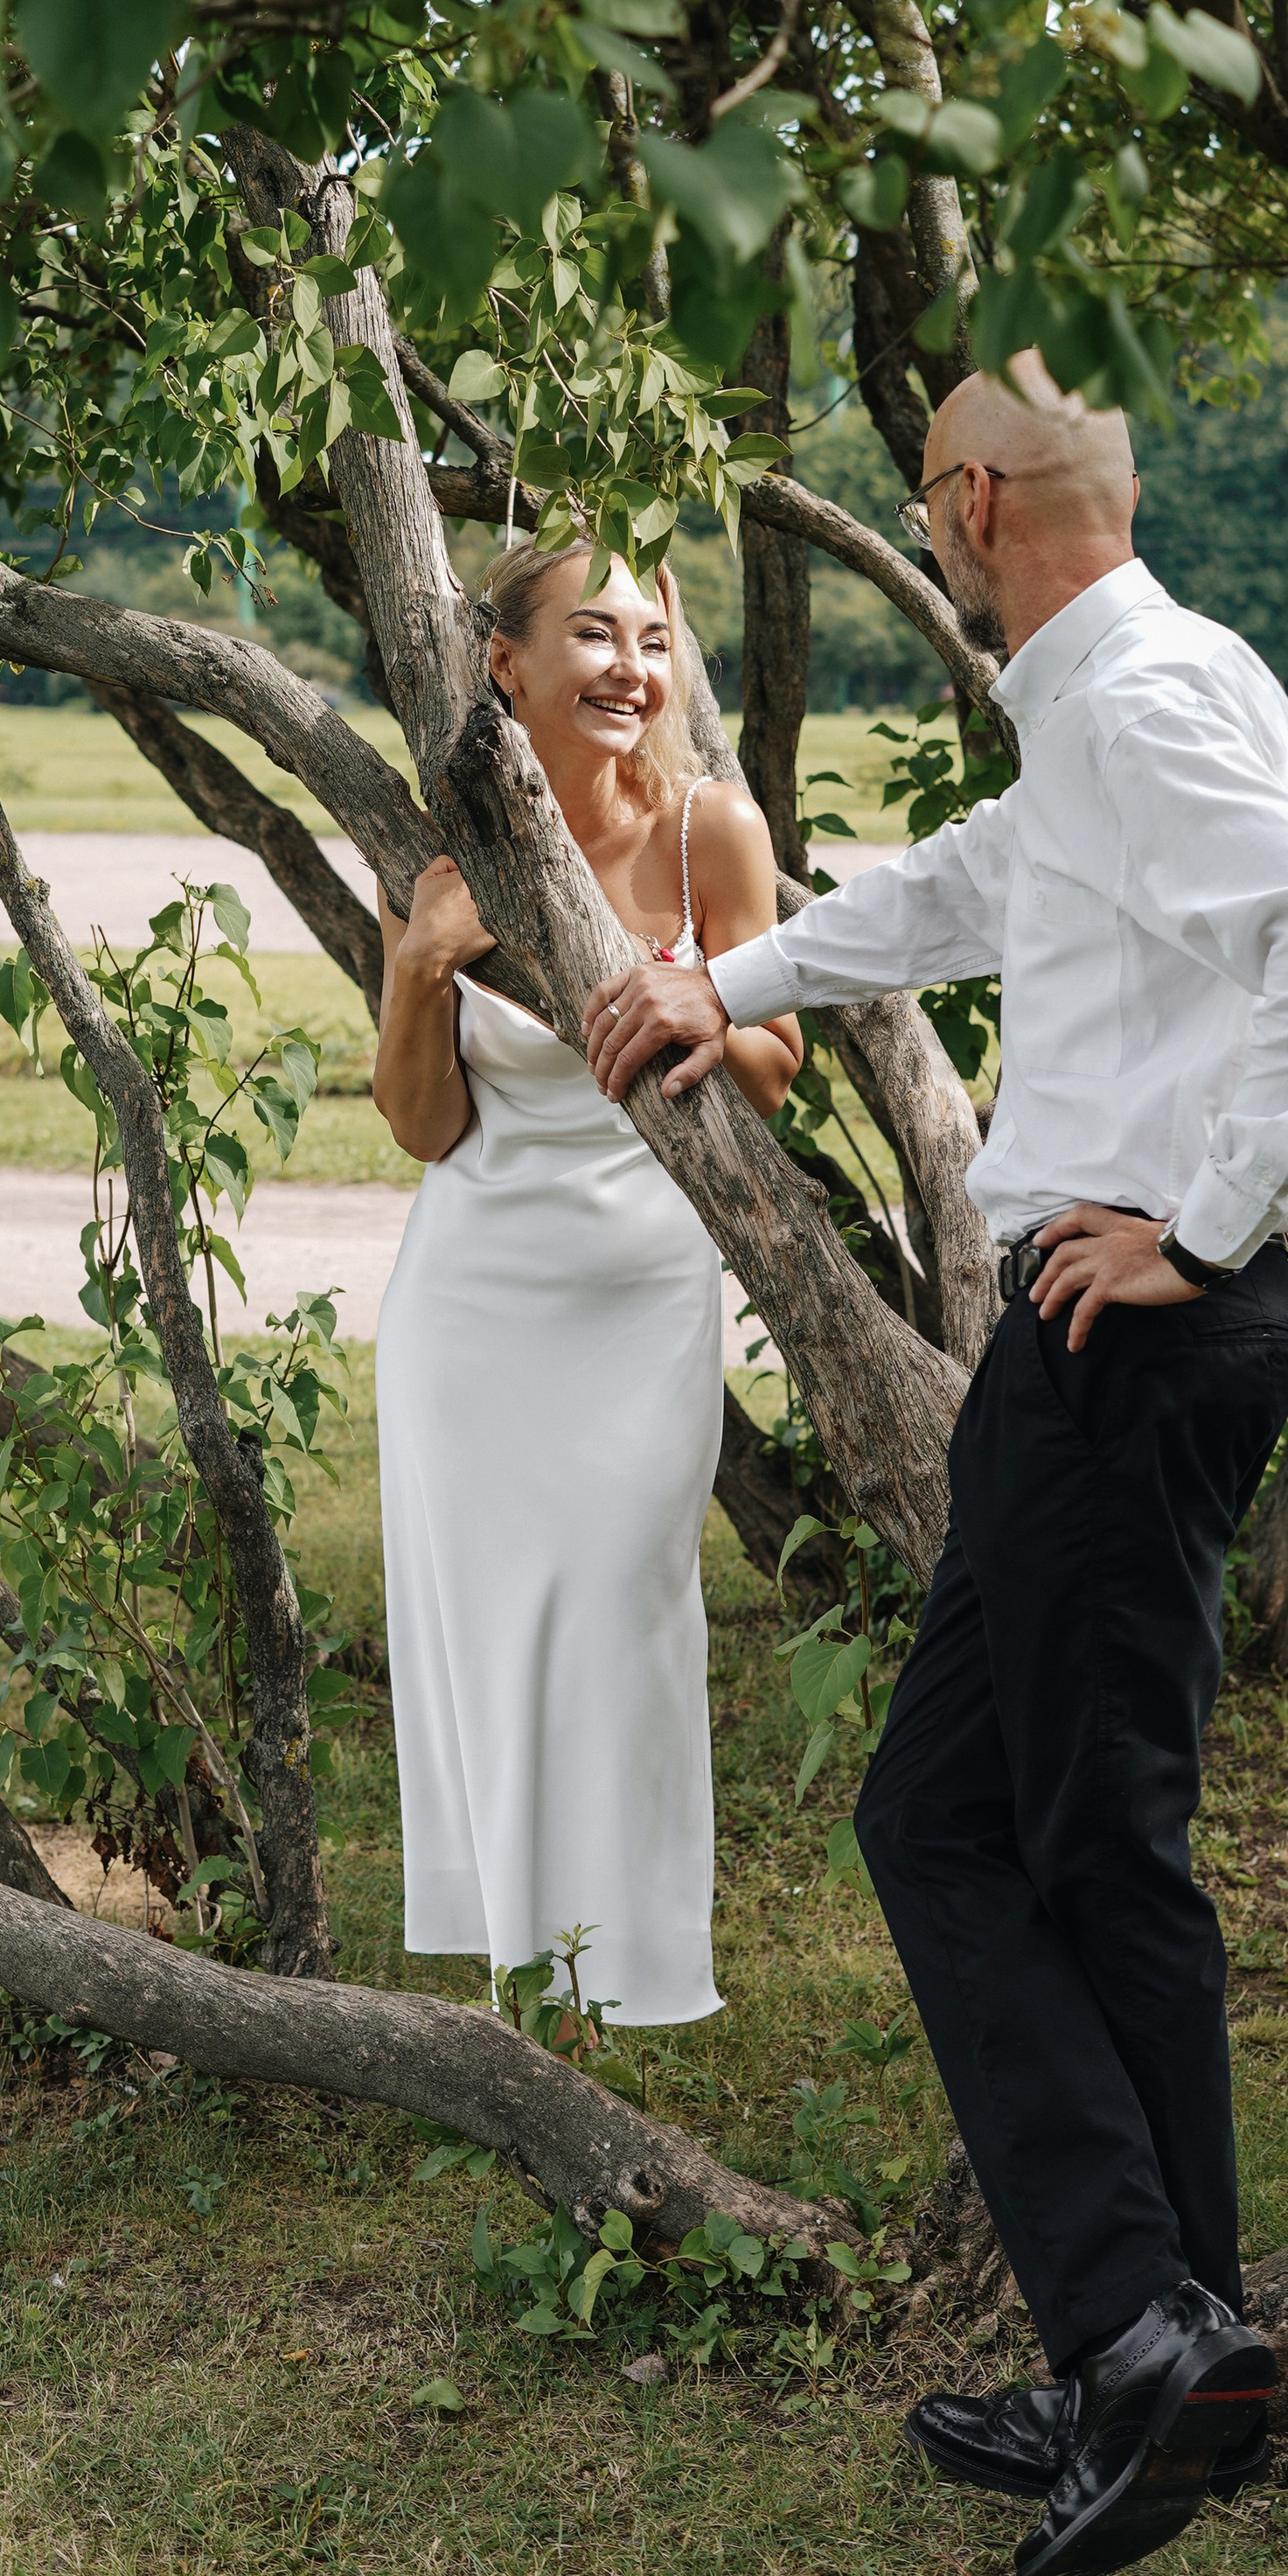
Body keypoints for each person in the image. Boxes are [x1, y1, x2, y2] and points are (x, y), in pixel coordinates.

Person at [581, 354, 1288, 2576]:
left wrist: (1209, 1222)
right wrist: (718, 970)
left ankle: (1144, 2331)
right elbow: (968, 892)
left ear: (957, 501)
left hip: (1121, 1333)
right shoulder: (1130, 690)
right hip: (1102, 1343)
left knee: (1008, 1831)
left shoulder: (1131, 708)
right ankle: (1156, 2342)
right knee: (1021, 1832)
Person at [370, 538, 800, 2031]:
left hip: (641, 1301)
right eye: (594, 634)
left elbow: (778, 1071)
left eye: (655, 640)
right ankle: (516, 1973)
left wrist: (686, 997)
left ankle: (634, 1976)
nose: (632, 667)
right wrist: (425, 965)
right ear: (507, 663)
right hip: (471, 1305)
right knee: (491, 1627)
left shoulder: (712, 835)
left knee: (623, 1609)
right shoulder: (444, 851)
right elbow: (426, 1125)